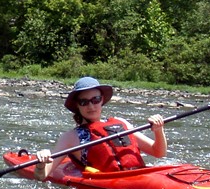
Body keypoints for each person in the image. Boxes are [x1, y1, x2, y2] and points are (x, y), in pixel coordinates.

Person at [34, 76, 166, 181]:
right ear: (77, 105)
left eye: (95, 100)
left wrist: (159, 130)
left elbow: (158, 152)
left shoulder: (122, 123)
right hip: (109, 182)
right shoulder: (70, 137)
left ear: (102, 100)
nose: (91, 106)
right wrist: (41, 164)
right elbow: (42, 176)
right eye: (84, 102)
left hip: (141, 176)